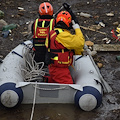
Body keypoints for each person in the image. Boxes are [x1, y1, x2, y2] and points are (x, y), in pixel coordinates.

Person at [45, 7, 85, 84]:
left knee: (55, 79)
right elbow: (80, 43)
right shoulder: (63, 36)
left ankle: (46, 80)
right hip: (60, 69)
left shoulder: (52, 33)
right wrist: (77, 28)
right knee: (68, 87)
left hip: (54, 66)